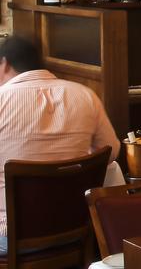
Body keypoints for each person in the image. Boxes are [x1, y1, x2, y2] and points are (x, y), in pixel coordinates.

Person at [0, 36, 120, 256]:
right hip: (75, 230)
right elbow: (111, 151)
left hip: (8, 237)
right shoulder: (85, 95)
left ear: (5, 64)